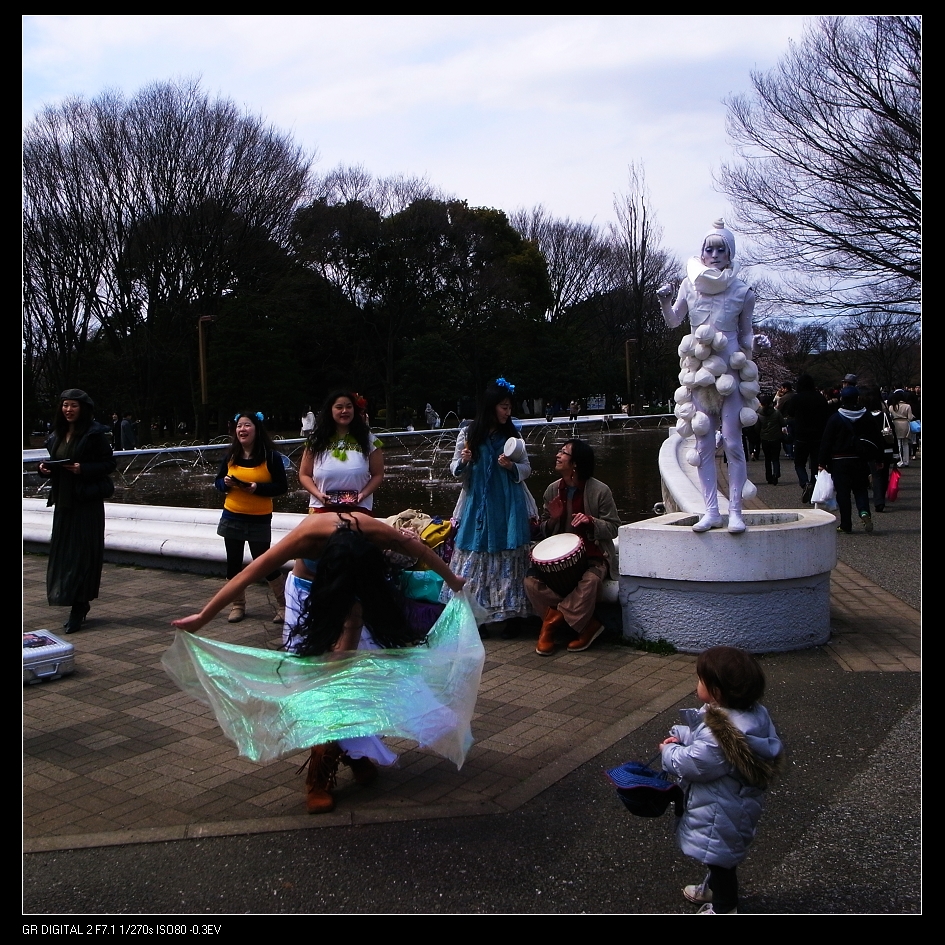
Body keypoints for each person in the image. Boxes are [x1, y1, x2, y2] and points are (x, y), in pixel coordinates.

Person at [171, 510, 467, 814]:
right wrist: (203, 617)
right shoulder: (306, 536)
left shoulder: (373, 534)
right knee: (320, 683)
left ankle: (347, 751)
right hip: (307, 595)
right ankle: (321, 775)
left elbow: (419, 549)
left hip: (355, 589)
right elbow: (250, 573)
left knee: (347, 679)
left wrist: (453, 580)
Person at [659, 646, 782, 915]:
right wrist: (684, 734)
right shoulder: (749, 715)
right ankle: (712, 888)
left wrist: (669, 751)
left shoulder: (722, 733)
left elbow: (695, 763)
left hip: (721, 810)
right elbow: (710, 742)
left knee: (720, 861)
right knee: (717, 856)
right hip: (732, 803)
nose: (697, 684)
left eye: (701, 680)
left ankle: (725, 908)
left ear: (717, 691)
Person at [658, 220, 758, 534]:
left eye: (720, 249)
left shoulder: (742, 291)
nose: (714, 254)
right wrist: (663, 300)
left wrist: (755, 346)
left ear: (730, 254)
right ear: (701, 252)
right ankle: (711, 511)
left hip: (729, 369)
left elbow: (745, 333)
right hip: (700, 371)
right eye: (709, 249)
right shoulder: (690, 285)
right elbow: (675, 320)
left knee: (732, 442)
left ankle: (737, 511)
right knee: (702, 445)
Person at [442, 378, 533, 636]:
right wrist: (464, 461)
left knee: (508, 552)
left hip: (507, 504)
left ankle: (510, 615)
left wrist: (512, 467)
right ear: (491, 407)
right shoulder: (469, 434)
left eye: (509, 407)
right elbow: (455, 471)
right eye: (503, 407)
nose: (508, 412)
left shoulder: (513, 436)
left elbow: (526, 469)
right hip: (479, 503)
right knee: (476, 553)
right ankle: (475, 614)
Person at [526, 440, 620, 656]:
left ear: (575, 463)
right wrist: (553, 520)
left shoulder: (600, 491)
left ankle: (551, 624)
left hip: (592, 555)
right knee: (530, 583)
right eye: (559, 451)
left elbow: (614, 528)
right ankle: (588, 626)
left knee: (591, 582)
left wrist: (591, 522)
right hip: (559, 558)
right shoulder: (552, 490)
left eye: (563, 452)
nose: (557, 455)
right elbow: (542, 529)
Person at [37, 389, 116, 634]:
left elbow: (109, 464)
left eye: (73, 406)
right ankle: (71, 598)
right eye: (65, 405)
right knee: (64, 554)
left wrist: (83, 468)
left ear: (83, 408)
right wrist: (44, 469)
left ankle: (79, 606)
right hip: (63, 501)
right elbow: (52, 460)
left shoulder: (93, 434)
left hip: (86, 503)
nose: (68, 410)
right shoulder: (57, 434)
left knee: (83, 555)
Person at [214, 412, 288, 623]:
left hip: (259, 518)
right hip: (232, 516)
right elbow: (217, 481)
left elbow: (281, 486)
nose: (242, 430)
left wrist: (257, 488)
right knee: (233, 564)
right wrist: (225, 484)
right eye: (239, 426)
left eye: (247, 425)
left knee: (265, 563)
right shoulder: (231, 455)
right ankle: (238, 605)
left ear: (257, 429)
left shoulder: (270, 456)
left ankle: (284, 605)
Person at [299, 391, 384, 515]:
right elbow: (304, 475)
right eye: (339, 407)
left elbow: (378, 474)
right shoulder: (316, 440)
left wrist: (362, 495)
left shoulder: (369, 440)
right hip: (321, 507)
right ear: (330, 410)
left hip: (359, 508)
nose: (345, 411)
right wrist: (318, 495)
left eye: (349, 407)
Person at [818, 387, 884, 534]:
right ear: (857, 398)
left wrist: (822, 462)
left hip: (839, 460)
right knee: (860, 489)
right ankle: (864, 513)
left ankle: (846, 524)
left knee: (843, 493)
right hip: (860, 459)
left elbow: (826, 441)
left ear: (842, 399)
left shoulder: (835, 418)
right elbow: (877, 439)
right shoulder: (867, 416)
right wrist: (879, 459)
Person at [781, 373, 830, 502]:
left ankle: (804, 483)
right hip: (818, 436)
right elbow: (826, 415)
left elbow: (790, 412)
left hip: (801, 435)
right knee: (815, 464)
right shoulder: (820, 397)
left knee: (799, 463)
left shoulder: (797, 398)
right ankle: (814, 488)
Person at [756, 394, 784, 486]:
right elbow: (782, 423)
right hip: (776, 438)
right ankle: (776, 474)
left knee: (767, 459)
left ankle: (769, 477)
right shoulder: (776, 413)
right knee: (775, 458)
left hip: (765, 438)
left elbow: (757, 427)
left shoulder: (759, 414)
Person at [887, 390, 915, 468]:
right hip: (905, 423)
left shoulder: (891, 407)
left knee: (898, 443)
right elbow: (910, 417)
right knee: (906, 443)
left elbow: (890, 416)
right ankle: (906, 461)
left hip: (896, 423)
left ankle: (900, 460)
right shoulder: (907, 406)